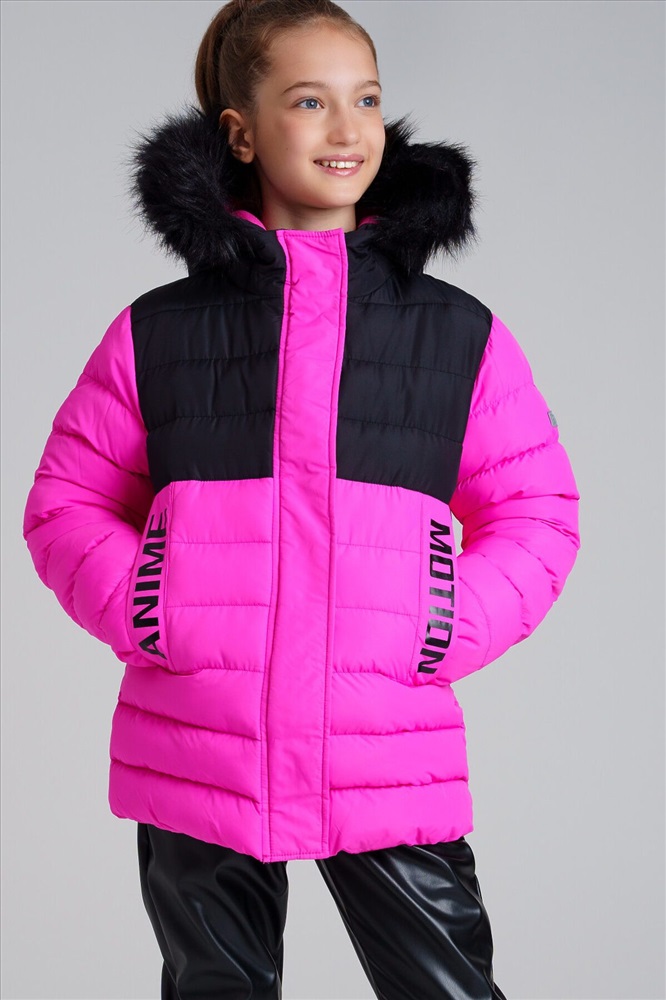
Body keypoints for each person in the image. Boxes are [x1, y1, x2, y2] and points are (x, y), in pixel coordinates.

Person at [22, 0, 580, 997]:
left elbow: (538, 511)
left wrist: (438, 626)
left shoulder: (453, 334)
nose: (348, 127)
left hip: (382, 744)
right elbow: (67, 500)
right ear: (241, 132)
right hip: (203, 741)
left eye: (366, 99)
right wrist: (155, 612)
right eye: (311, 101)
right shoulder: (162, 331)